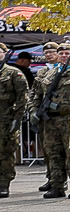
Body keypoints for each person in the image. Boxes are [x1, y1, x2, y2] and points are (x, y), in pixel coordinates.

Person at [35, 40, 70, 198]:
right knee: (53, 153)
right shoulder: (48, 74)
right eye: (61, 53)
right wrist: (34, 111)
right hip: (50, 121)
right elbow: (36, 94)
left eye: (67, 54)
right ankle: (57, 185)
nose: (64, 56)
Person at [0, 52, 26, 198]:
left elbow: (22, 97)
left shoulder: (13, 73)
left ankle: (4, 184)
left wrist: (17, 119)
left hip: (6, 120)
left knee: (6, 153)